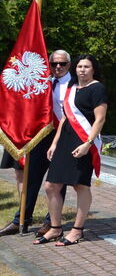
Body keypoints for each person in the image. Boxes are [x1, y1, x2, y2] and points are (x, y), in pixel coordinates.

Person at [36, 54, 108, 247]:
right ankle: (56, 227)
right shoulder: (71, 87)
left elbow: (100, 119)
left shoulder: (97, 88)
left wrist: (88, 143)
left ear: (93, 69)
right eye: (79, 66)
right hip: (66, 139)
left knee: (80, 185)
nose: (82, 69)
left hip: (84, 140)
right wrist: (54, 143)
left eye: (86, 66)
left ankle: (77, 230)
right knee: (51, 186)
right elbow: (66, 118)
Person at [0, 50, 71, 237]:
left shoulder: (74, 85)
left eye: (62, 64)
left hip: (63, 137)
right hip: (42, 136)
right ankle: (21, 219)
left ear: (69, 65)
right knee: (31, 178)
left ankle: (51, 222)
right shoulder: (43, 81)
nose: (58, 67)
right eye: (54, 63)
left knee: (57, 181)